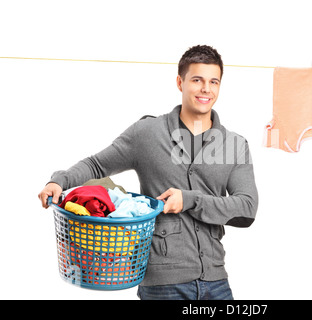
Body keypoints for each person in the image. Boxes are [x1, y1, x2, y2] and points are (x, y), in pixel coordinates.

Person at [38, 45, 259, 300]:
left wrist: (190, 200)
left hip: (216, 281)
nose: (206, 89)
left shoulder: (234, 144)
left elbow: (247, 208)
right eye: (197, 80)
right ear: (180, 82)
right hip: (162, 284)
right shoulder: (147, 133)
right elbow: (97, 165)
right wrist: (59, 181)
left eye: (213, 81)